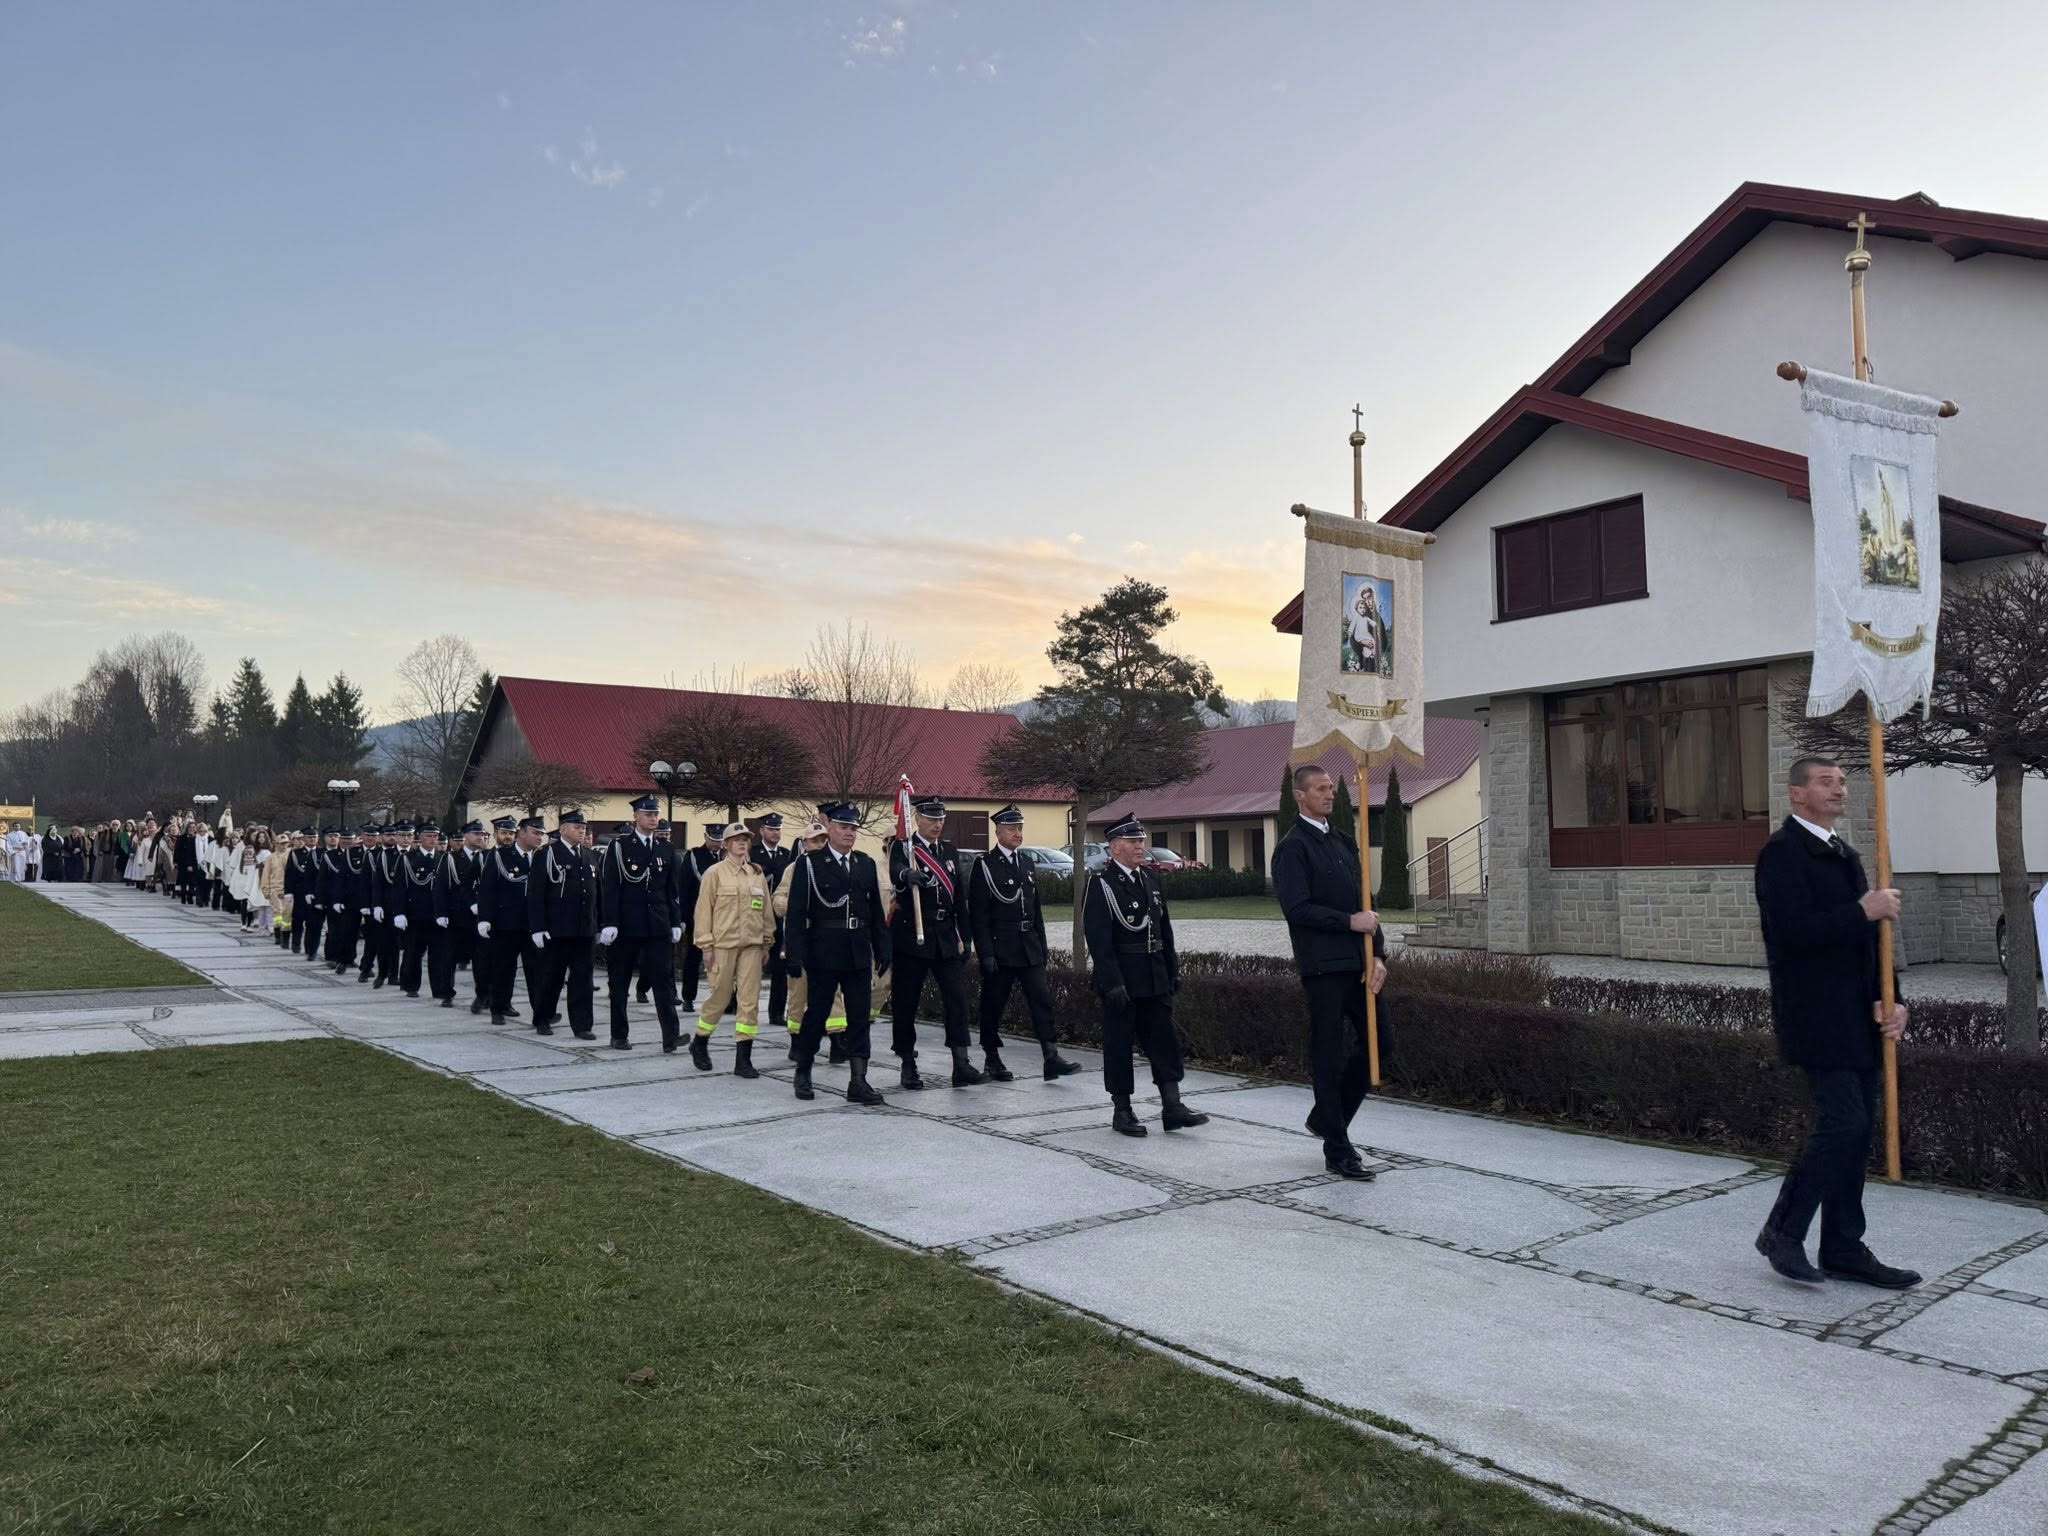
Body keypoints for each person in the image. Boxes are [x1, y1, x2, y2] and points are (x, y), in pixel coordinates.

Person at [1752, 756, 1918, 1290]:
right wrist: (1862, 911)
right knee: (1843, 1123)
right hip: (1815, 1015)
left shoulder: (1845, 854)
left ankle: (1843, 1247)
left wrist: (1891, 998)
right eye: (1825, 782)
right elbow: (1791, 934)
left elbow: (1871, 941)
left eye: (1843, 781)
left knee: (1858, 1130)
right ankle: (1782, 1232)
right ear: (1797, 794)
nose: (1839, 789)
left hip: (1857, 1016)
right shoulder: (1782, 854)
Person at [1271, 765, 1390, 1180]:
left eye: (1331, 789)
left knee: (1382, 1045)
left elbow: (1366, 906)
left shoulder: (1343, 841)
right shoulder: (1292, 848)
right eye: (1320, 789)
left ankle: (1327, 1116)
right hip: (1323, 967)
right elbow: (1297, 909)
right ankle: (1337, 1149)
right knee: (1328, 1053)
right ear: (1300, 796)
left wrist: (1379, 956)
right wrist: (1348, 922)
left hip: (1360, 963)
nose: (1329, 794)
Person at [1083, 816, 1207, 1138]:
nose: (1141, 846)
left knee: (1164, 1041)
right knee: (1119, 1046)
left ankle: (1172, 1106)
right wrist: (1112, 982)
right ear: (1115, 847)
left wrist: (1172, 970)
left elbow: (1165, 930)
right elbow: (1098, 939)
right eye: (1133, 841)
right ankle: (1122, 1110)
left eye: (1141, 840)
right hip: (1123, 979)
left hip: (1154, 975)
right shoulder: (1101, 885)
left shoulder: (1151, 879)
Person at [783, 801, 891, 1106]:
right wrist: (794, 955)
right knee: (816, 1015)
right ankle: (803, 1071)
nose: (849, 833)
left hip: (858, 950)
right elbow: (796, 914)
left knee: (859, 1018)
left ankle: (858, 1080)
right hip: (824, 951)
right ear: (829, 828)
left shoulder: (864, 864)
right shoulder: (810, 864)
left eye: (853, 828)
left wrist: (883, 948)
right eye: (844, 827)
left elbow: (875, 912)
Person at [967, 804, 1084, 1082]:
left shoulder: (1027, 863)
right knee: (993, 1005)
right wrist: (985, 953)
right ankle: (992, 1057)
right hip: (1001, 947)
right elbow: (979, 915)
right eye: (1012, 829)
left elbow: (1035, 910)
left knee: (1042, 1000)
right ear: (998, 832)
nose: (1017, 834)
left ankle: (1051, 1056)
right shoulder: (985, 865)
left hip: (1028, 946)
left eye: (1019, 828)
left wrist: (1041, 944)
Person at [888, 796, 978, 1089]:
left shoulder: (949, 851)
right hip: (913, 936)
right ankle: (907, 1064)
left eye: (940, 818)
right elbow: (895, 870)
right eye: (931, 819)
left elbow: (959, 898)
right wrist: (906, 874)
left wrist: (966, 937)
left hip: (945, 936)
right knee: (906, 1002)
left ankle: (961, 1063)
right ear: (917, 819)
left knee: (956, 999)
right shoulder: (903, 848)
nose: (937, 824)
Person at [599, 794, 685, 1052]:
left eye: (656, 814)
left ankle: (671, 1037)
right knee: (620, 982)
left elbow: (672, 890)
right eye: (648, 814)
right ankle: (619, 1035)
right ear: (636, 816)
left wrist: (675, 921)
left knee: (664, 982)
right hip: (627, 926)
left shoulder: (665, 849)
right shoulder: (620, 847)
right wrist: (610, 922)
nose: (653, 818)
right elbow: (610, 887)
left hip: (657, 925)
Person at [691, 823, 777, 1078]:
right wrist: (706, 945)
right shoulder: (714, 873)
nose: (741, 843)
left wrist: (766, 942)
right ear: (726, 844)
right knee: (720, 996)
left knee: (749, 1001)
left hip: (751, 946)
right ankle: (700, 1041)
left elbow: (766, 911)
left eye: (745, 839)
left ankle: (743, 1059)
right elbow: (703, 911)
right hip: (723, 945)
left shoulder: (756, 874)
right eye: (736, 839)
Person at [775, 820, 849, 1062]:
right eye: (814, 840)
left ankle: (837, 1040)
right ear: (804, 843)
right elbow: (778, 901)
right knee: (798, 990)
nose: (819, 844)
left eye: (823, 840)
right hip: (801, 938)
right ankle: (796, 1040)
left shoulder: (835, 866)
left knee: (833, 991)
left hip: (828, 940)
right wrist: (798, 906)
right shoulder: (794, 868)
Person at [528, 811, 598, 1039]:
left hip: (584, 928)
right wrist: (537, 927)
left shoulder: (589, 855)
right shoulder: (547, 854)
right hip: (557, 929)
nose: (582, 831)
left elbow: (597, 892)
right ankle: (543, 1018)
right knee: (551, 977)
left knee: (583, 979)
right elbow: (536, 893)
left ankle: (582, 1025)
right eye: (577, 827)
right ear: (563, 829)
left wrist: (601, 923)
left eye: (584, 827)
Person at [478, 816, 544, 1027]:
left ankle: (541, 1015)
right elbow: (487, 889)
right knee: (503, 969)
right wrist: (484, 918)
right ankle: (498, 1008)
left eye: (541, 834)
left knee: (537, 971)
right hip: (506, 923)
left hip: (533, 924)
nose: (540, 837)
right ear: (521, 833)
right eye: (535, 833)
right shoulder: (500, 856)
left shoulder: (542, 857)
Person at [467, 818, 518, 1013]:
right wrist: (473, 903)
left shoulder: (518, 856)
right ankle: (482, 996)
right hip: (487, 915)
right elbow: (466, 884)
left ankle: (504, 1002)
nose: (508, 837)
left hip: (509, 918)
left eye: (511, 833)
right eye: (504, 833)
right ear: (495, 834)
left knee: (508, 964)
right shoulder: (483, 856)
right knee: (483, 961)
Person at [751, 813, 796, 1031]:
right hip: (755, 916)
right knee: (751, 966)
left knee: (780, 966)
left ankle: (776, 1011)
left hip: (778, 919)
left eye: (778, 829)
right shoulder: (752, 853)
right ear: (762, 831)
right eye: (771, 829)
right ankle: (740, 1005)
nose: (775, 833)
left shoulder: (787, 855)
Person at [394, 821, 443, 999]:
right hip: (415, 914)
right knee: (413, 952)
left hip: (437, 915)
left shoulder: (443, 858)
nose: (432, 840)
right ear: (419, 838)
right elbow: (400, 887)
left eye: (435, 836)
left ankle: (439, 989)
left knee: (438, 955)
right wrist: (399, 912)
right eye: (428, 836)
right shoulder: (408, 858)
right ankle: (411, 985)